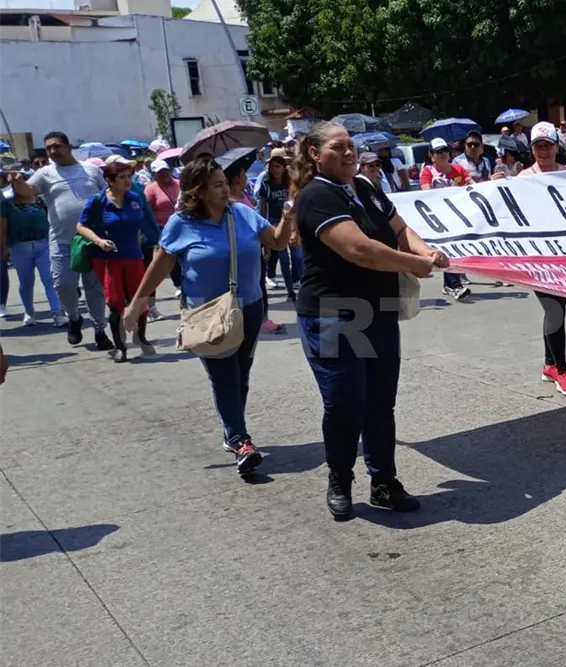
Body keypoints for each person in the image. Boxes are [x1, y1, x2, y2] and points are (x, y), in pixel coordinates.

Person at [290, 122, 448, 520]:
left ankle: (383, 481)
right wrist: (417, 265)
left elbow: (399, 229)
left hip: (377, 308)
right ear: (314, 154)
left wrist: (426, 250)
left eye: (351, 147)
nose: (348, 153)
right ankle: (340, 478)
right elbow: (359, 249)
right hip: (336, 312)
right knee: (346, 403)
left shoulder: (366, 188)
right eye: (338, 147)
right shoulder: (315, 196)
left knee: (380, 401)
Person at [123, 157, 296, 474]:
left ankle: (233, 432)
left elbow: (278, 241)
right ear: (198, 191)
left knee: (241, 374)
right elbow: (160, 264)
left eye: (224, 182)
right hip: (205, 312)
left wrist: (287, 217)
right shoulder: (182, 224)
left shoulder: (242, 213)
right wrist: (137, 303)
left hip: (250, 307)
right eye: (217, 184)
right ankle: (241, 440)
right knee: (225, 376)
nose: (225, 188)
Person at [12, 131, 112, 349]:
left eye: (56, 146)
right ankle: (74, 317)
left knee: (94, 287)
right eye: (48, 148)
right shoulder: (45, 173)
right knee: (63, 286)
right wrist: (17, 180)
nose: (52, 151)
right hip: (62, 241)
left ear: (68, 146)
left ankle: (99, 329)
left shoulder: (91, 170)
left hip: (92, 240)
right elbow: (28, 191)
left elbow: (108, 198)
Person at [503, 122, 566, 396]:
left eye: (548, 145)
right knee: (554, 310)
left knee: (558, 308)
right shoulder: (524, 178)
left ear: (557, 147)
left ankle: (549, 363)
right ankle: (562, 370)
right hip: (538, 259)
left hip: (565, 255)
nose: (544, 151)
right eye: (538, 146)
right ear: (532, 149)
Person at [75, 160, 157, 361]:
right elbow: (81, 226)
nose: (128, 180)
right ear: (109, 180)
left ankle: (141, 338)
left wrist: (154, 242)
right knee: (116, 303)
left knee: (140, 299)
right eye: (122, 177)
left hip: (134, 257)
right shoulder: (97, 201)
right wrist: (99, 241)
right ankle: (121, 347)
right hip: (108, 260)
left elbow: (142, 224)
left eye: (129, 176)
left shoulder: (135, 198)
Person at [0, 168, 66, 327]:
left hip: (43, 245)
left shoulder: (41, 202)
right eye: (17, 183)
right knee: (26, 282)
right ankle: (29, 313)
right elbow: (2, 229)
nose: (21, 185)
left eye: (23, 181)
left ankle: (57, 313)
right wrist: (4, 248)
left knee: (49, 279)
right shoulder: (6, 205)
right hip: (19, 247)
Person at [419, 137, 472, 300]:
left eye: (445, 151)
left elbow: (472, 186)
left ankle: (451, 284)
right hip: (439, 220)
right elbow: (426, 191)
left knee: (457, 250)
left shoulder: (459, 169)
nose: (443, 155)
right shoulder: (428, 172)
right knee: (448, 250)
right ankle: (453, 285)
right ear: (431, 155)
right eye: (438, 152)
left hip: (459, 218)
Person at [257, 148, 302, 302]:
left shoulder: (290, 184)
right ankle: (290, 290)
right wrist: (263, 235)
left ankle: (302, 285)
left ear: (284, 168)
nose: (275, 170)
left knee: (298, 256)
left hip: (292, 223)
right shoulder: (266, 185)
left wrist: (296, 229)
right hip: (275, 224)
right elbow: (263, 209)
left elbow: (295, 204)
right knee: (283, 260)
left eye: (278, 166)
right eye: (272, 166)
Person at [142, 159, 181, 320]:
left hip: (180, 229)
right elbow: (147, 214)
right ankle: (151, 308)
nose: (164, 174)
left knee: (181, 265)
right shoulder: (150, 189)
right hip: (160, 231)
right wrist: (156, 238)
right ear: (155, 174)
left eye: (166, 170)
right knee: (155, 269)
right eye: (160, 172)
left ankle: (188, 298)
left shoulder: (179, 184)